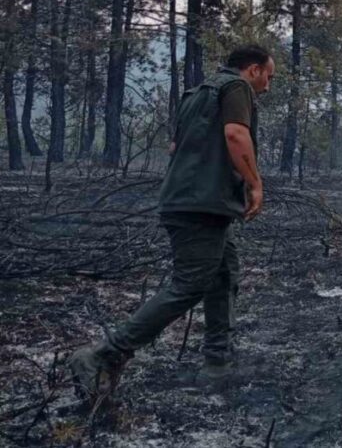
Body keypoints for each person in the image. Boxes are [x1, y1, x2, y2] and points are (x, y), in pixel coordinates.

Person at [68, 45, 276, 398]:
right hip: (201, 204)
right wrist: (255, 183)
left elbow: (174, 147)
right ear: (253, 69)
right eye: (268, 76)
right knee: (191, 283)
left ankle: (217, 363)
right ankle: (105, 354)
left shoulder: (196, 94)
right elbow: (235, 135)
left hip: (192, 200)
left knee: (223, 273)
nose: (268, 86)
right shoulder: (236, 88)